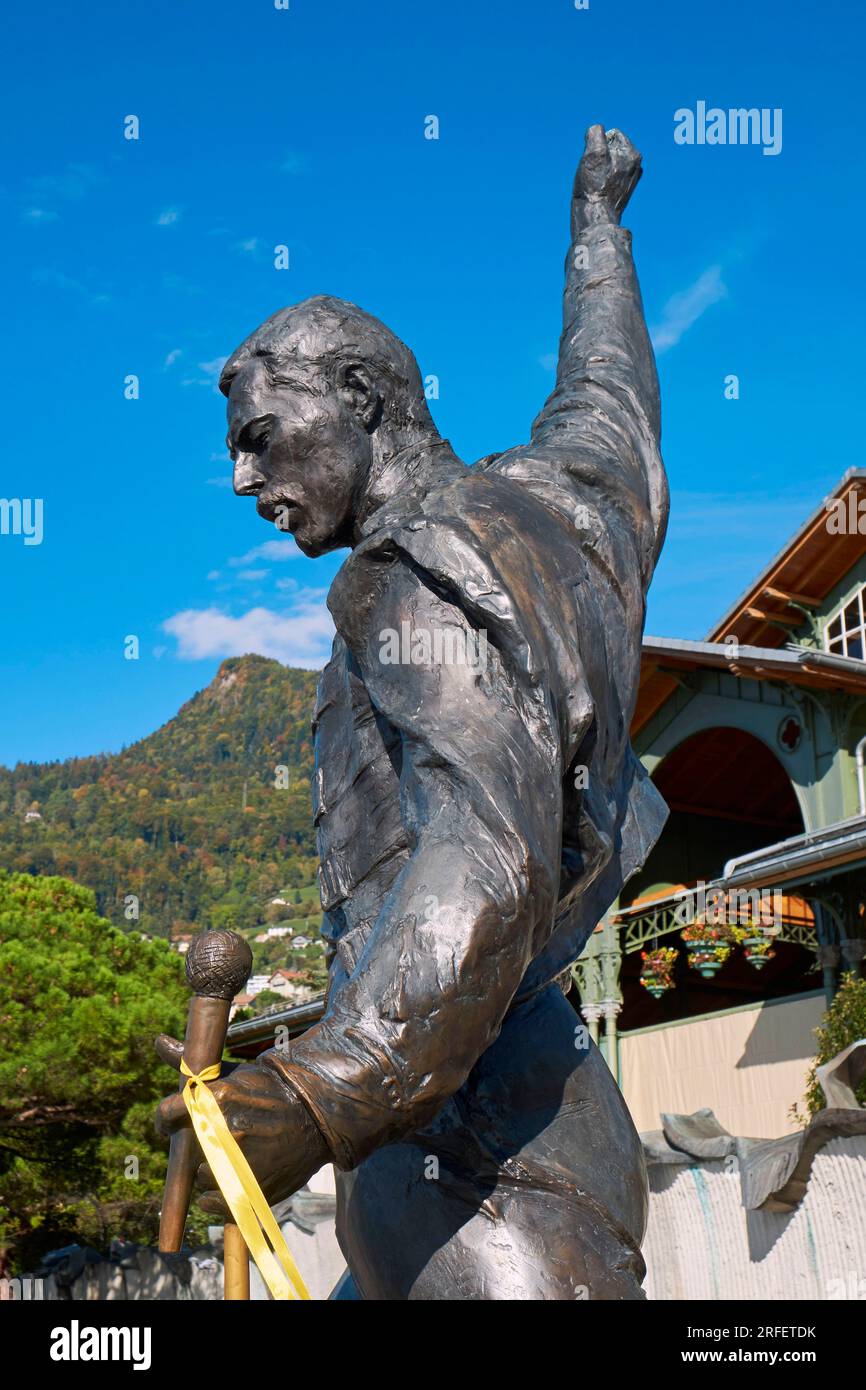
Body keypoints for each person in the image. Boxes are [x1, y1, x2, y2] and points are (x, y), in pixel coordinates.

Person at [157, 125, 669, 1300]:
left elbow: (482, 846)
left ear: (359, 395)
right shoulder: (555, 508)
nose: (244, 482)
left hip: (477, 1173)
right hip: (493, 1128)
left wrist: (323, 1082)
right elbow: (610, 406)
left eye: (258, 439)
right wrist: (599, 236)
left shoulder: (417, 574)